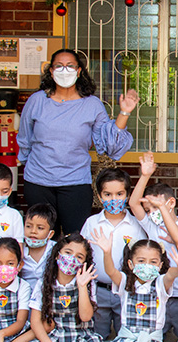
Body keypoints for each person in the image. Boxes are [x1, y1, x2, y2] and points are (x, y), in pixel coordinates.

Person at [17, 48, 138, 235]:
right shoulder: (37, 101)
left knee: (74, 238)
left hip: (75, 182)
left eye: (70, 66)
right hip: (38, 181)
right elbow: (25, 139)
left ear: (79, 70)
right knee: (41, 237)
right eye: (59, 66)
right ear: (51, 71)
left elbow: (109, 145)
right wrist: (29, 164)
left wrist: (124, 112)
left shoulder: (91, 104)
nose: (64, 70)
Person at [19, 233, 102, 342]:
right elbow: (35, 320)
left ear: (84, 263)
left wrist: (82, 286)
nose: (72, 259)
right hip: (56, 334)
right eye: (68, 252)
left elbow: (86, 317)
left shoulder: (88, 283)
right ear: (58, 254)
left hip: (81, 334)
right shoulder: (44, 283)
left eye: (79, 257)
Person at [129, 153, 178, 342]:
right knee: (154, 340)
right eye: (149, 210)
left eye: (156, 208)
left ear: (171, 203)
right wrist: (145, 175)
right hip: (158, 294)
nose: (152, 213)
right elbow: (133, 204)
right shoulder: (152, 227)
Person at [79, 167, 147, 339]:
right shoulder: (92, 223)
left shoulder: (136, 225)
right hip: (98, 290)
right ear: (99, 196)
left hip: (126, 290)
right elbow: (82, 254)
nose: (114, 199)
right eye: (108, 194)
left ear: (128, 196)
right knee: (97, 336)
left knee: (126, 336)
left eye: (119, 194)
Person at [21, 203, 58, 288]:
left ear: (50, 234)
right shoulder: (19, 249)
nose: (33, 231)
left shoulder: (56, 250)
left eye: (40, 228)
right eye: (28, 226)